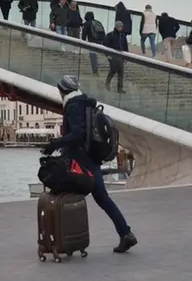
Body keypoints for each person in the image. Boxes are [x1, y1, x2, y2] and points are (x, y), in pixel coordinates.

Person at [42, 76, 137, 253]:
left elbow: (77, 134)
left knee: (66, 196)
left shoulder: (72, 106)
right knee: (102, 197)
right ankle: (125, 233)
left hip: (79, 160)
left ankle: (66, 241)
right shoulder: (87, 103)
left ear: (63, 91)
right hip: (92, 157)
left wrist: (55, 144)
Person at [103, 21, 128, 93]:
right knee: (113, 70)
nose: (120, 28)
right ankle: (107, 83)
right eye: (119, 26)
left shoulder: (123, 36)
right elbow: (105, 45)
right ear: (116, 27)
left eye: (121, 27)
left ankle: (120, 89)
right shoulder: (110, 35)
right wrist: (107, 55)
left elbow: (125, 48)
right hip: (112, 56)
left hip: (121, 56)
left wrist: (126, 58)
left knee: (121, 72)